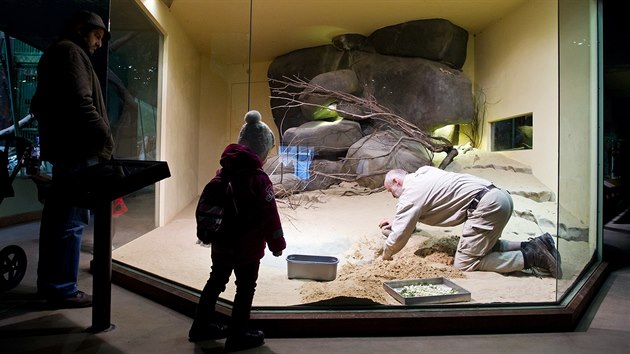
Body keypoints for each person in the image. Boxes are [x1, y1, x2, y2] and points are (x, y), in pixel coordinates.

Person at [29, 10, 114, 308]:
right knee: (70, 221)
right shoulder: (70, 53)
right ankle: (62, 288)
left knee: (59, 220)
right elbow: (81, 101)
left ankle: (51, 284)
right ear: (80, 29)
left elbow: (42, 103)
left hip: (68, 151)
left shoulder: (58, 53)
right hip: (79, 152)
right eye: (96, 36)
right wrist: (104, 134)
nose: (99, 44)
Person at [189, 111, 286, 352]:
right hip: (247, 247)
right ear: (262, 149)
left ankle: (201, 326)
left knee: (216, 280)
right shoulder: (258, 179)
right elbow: (269, 216)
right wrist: (277, 244)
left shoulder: (224, 171)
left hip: (221, 243)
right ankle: (238, 334)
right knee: (245, 288)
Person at [379, 167, 561, 278]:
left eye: (390, 190)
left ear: (396, 181)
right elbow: (423, 205)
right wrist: (397, 220)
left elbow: (399, 236)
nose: (392, 195)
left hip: (487, 206)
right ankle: (535, 244)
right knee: (485, 246)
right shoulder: (424, 172)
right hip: (500, 197)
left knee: (465, 263)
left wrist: (385, 256)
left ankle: (532, 256)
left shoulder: (410, 194)